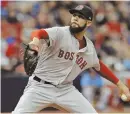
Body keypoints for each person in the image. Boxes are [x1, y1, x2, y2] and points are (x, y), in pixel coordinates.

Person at [12, 5, 130, 114]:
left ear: (88, 22)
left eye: (80, 17)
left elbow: (98, 65)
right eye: (74, 15)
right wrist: (36, 41)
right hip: (39, 87)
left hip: (65, 90)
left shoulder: (89, 48)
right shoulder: (61, 32)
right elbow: (39, 32)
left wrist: (120, 85)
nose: (75, 19)